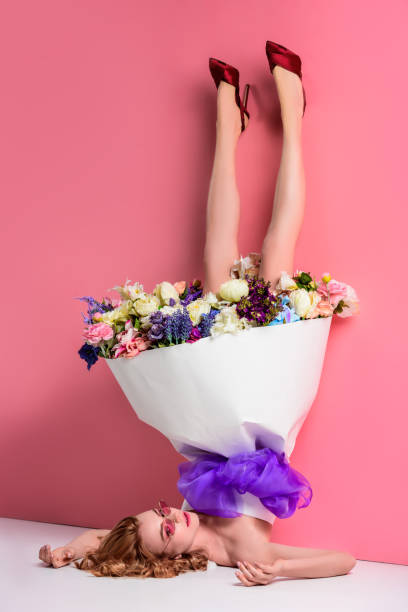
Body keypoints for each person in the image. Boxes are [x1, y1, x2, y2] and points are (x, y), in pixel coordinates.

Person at [38, 41, 356, 585]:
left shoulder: (166, 522)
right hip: (268, 384)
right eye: (166, 530)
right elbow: (344, 561)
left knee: (214, 256)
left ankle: (227, 126)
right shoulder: (232, 554)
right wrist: (278, 575)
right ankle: (294, 114)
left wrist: (68, 549)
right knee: (278, 252)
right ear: (168, 558)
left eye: (159, 510)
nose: (171, 516)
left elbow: (103, 538)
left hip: (225, 377)